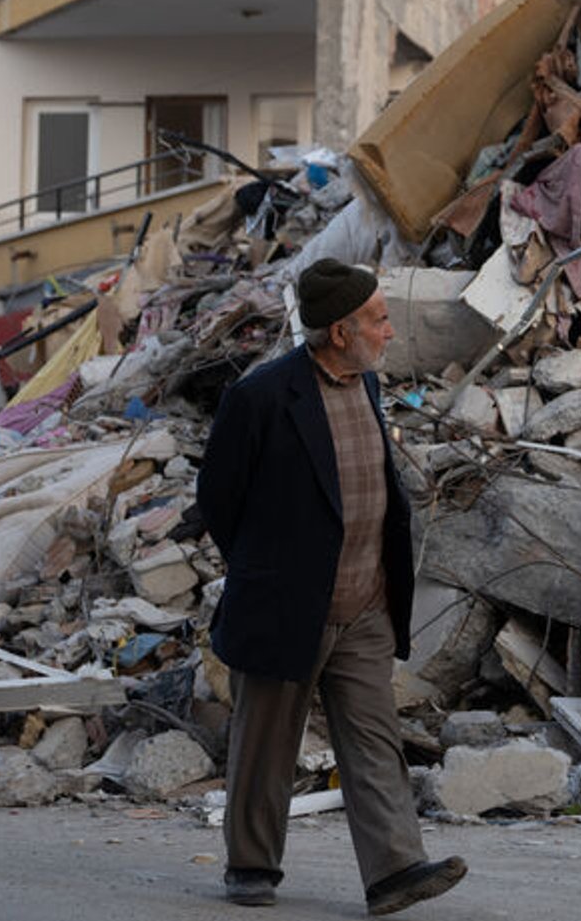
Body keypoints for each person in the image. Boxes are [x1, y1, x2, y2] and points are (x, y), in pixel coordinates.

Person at [197, 258, 466, 914]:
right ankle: (251, 867)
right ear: (340, 332)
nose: (390, 332)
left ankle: (395, 870)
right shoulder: (261, 397)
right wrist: (266, 570)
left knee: (374, 739)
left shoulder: (368, 388)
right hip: (289, 603)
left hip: (366, 602)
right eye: (378, 320)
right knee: (266, 744)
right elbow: (218, 498)